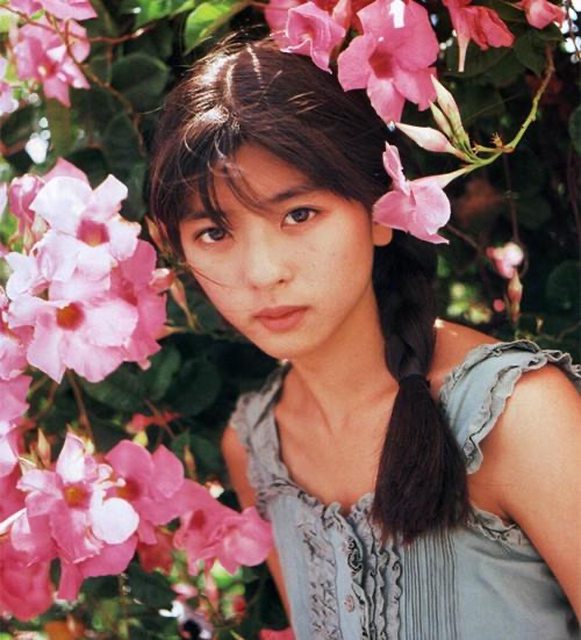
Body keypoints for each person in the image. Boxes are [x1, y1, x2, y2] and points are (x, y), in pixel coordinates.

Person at [149, 36, 581, 639]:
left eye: (299, 214)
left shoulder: (517, 415)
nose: (263, 273)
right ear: (173, 244)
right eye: (214, 233)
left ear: (382, 209)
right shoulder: (254, 449)